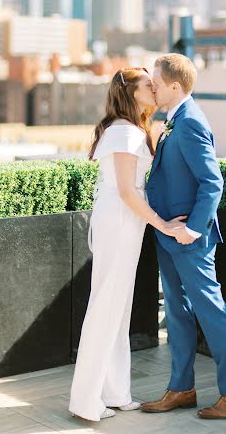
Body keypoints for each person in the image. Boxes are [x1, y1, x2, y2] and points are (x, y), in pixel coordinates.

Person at [141, 53, 226, 420]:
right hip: (168, 236)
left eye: (156, 84)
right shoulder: (173, 121)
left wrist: (192, 230)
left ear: (175, 86)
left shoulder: (189, 123)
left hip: (190, 239)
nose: (152, 89)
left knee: (211, 311)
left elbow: (213, 182)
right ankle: (181, 388)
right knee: (176, 312)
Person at [69, 67, 186, 422]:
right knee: (106, 308)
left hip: (126, 222)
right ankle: (85, 400)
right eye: (147, 86)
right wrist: (162, 224)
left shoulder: (132, 129)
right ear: (131, 93)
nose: (154, 89)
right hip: (119, 221)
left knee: (118, 310)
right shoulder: (122, 131)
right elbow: (124, 190)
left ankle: (116, 393)